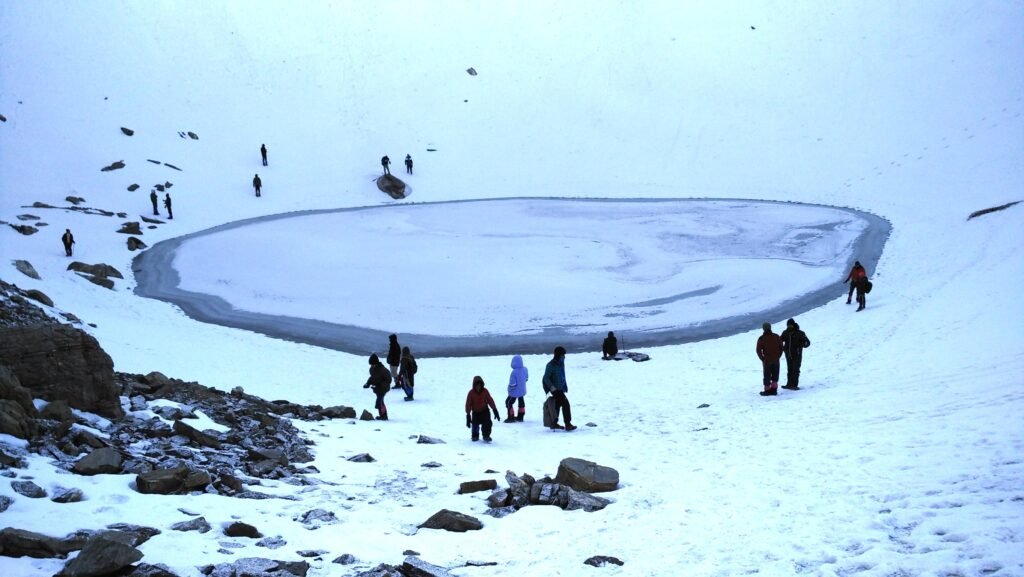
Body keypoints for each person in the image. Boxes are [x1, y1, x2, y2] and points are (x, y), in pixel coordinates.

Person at [542, 346, 576, 430]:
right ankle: (567, 424)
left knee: (557, 404)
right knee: (565, 404)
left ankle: (554, 423)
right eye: (563, 355)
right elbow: (546, 378)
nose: (564, 357)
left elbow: (562, 376)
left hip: (560, 388)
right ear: (558, 355)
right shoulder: (550, 365)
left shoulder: (561, 364)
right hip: (555, 389)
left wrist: (564, 386)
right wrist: (552, 388)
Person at [465, 375, 500, 442]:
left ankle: (486, 435)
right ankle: (475, 435)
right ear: (474, 385)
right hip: (475, 412)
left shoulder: (485, 391)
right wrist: (468, 415)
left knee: (487, 423)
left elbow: (490, 400)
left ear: (482, 385)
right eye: (477, 385)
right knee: (475, 424)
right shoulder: (471, 393)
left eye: (480, 385)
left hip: (484, 411)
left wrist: (494, 410)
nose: (478, 387)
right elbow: (468, 404)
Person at [780, 318, 811, 390]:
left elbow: (807, 343)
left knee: (796, 369)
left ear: (793, 324)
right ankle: (789, 384)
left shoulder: (800, 333)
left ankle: (794, 385)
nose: (789, 326)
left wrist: (800, 346)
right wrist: (783, 348)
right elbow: (780, 340)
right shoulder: (785, 332)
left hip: (797, 354)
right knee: (789, 369)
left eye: (790, 325)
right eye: (788, 325)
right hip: (788, 354)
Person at [756, 323, 783, 396]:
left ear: (763, 329)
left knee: (767, 375)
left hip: (767, 360)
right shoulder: (776, 336)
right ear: (770, 327)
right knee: (775, 374)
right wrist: (778, 356)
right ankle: (774, 390)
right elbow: (781, 347)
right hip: (776, 359)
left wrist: (763, 359)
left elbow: (758, 350)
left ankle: (767, 391)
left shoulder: (761, 338)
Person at [362, 353, 392, 420]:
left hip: (384, 387)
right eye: (371, 364)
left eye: (373, 364)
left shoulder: (381, 370)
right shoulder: (373, 369)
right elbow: (372, 377)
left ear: (376, 363)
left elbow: (384, 379)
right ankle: (383, 415)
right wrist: (368, 383)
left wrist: (379, 385)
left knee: (380, 401)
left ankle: (384, 416)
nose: (372, 366)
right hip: (378, 387)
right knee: (380, 401)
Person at [504, 354, 528, 422]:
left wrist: (509, 389)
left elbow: (513, 384)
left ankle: (510, 417)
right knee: (521, 401)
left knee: (508, 402)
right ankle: (521, 416)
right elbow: (526, 379)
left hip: (514, 391)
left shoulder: (514, 372)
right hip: (522, 390)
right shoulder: (525, 369)